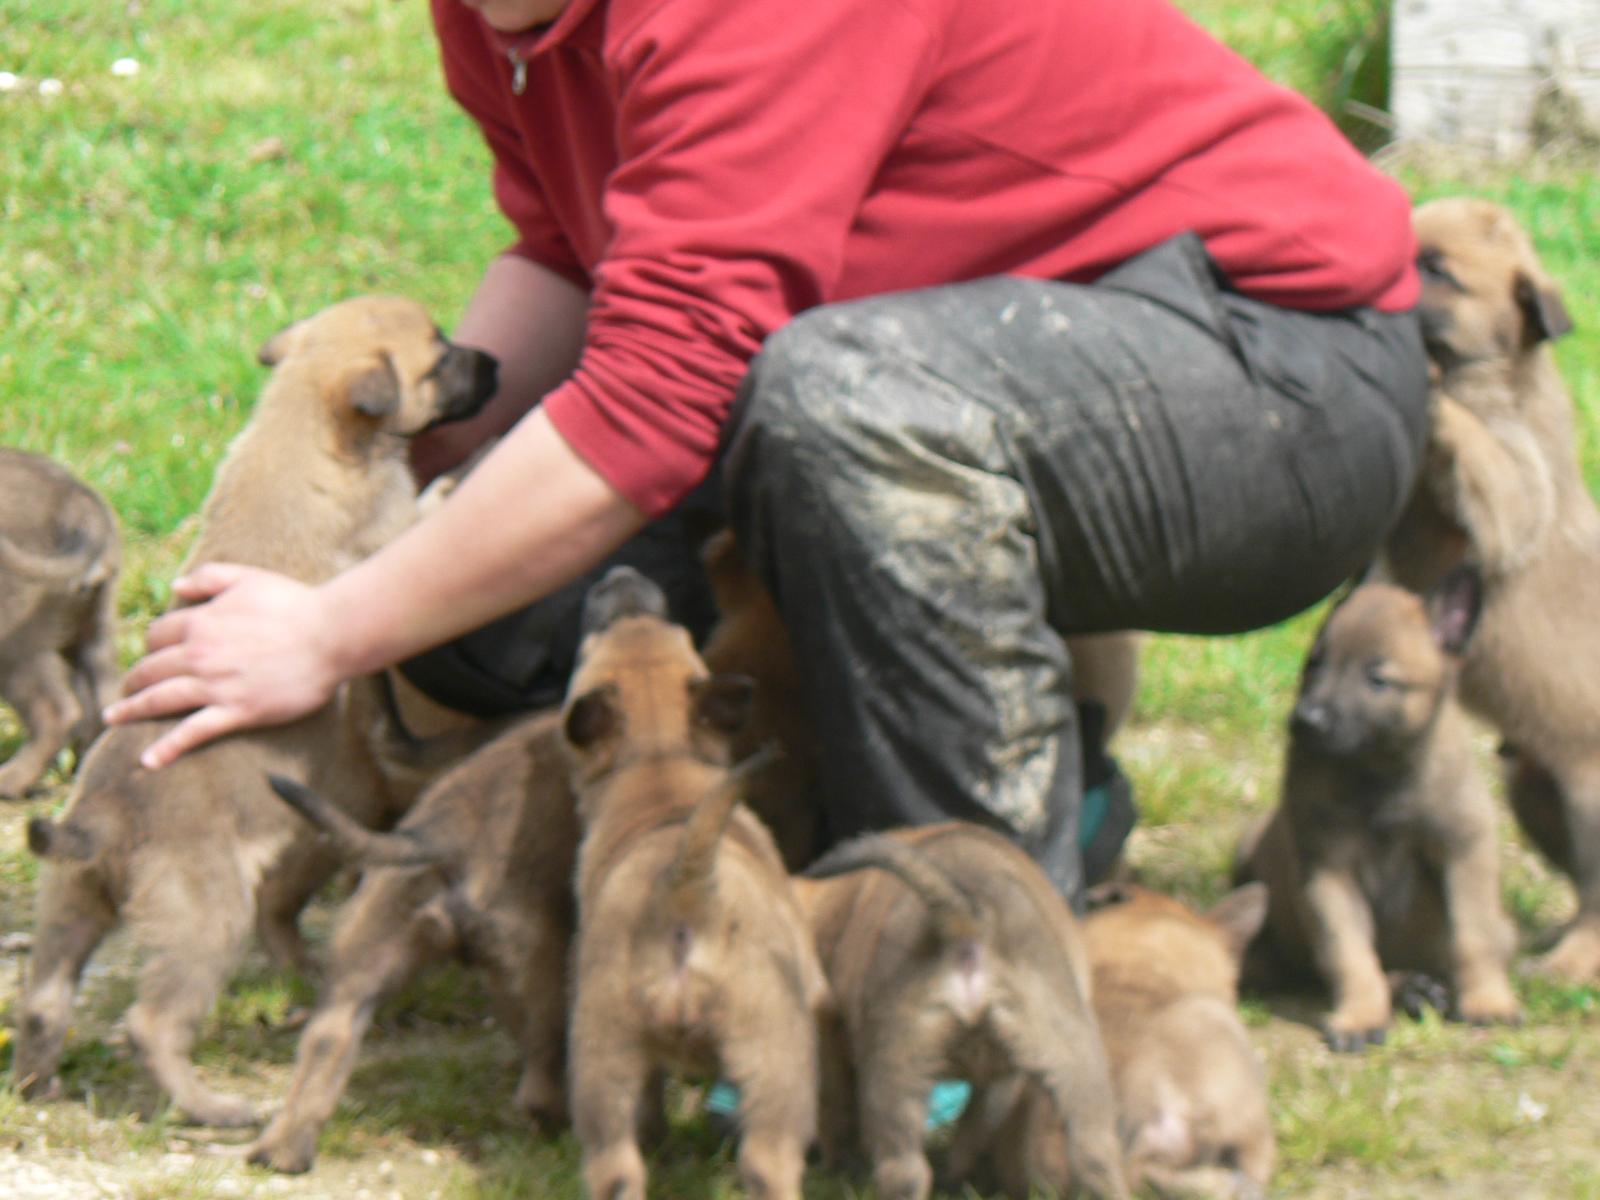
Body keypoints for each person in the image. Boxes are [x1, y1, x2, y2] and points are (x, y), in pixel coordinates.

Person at [108, 0, 1429, 905]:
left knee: (837, 401)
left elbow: (660, 394)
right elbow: (577, 256)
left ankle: (958, 937)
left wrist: (328, 631)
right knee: (488, 609)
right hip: (963, 369)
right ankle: (1018, 771)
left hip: (1274, 373)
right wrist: (420, 479)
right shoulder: (508, 16)